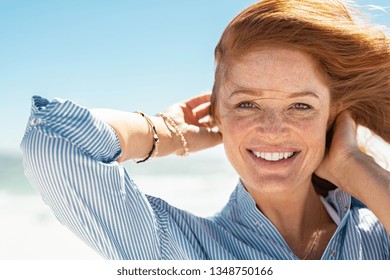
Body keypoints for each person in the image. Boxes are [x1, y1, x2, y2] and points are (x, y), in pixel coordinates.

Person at [21, 0, 390, 260]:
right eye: (246, 104)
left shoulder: (378, 233)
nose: (273, 129)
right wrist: (165, 133)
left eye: (301, 106)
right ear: (218, 115)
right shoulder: (179, 252)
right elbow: (53, 141)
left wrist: (354, 167)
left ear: (333, 115)